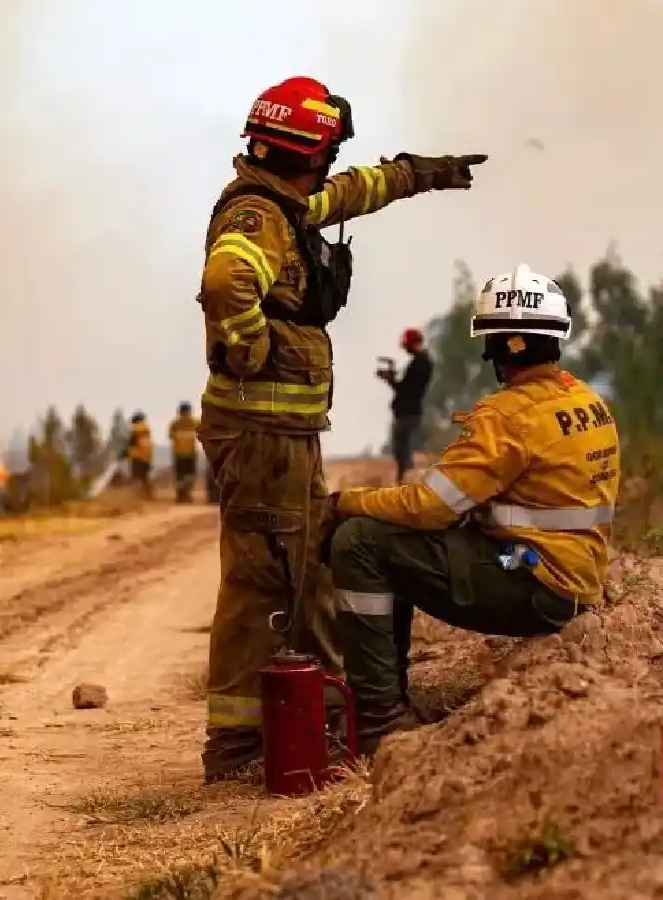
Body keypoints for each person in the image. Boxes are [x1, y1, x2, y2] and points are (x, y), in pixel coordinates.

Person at [195, 73, 487, 782]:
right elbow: (225, 281)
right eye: (327, 152)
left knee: (297, 573)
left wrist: (420, 175)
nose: (330, 165)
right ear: (307, 150)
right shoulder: (259, 219)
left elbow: (354, 191)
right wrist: (252, 347)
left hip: (281, 432)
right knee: (265, 582)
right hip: (263, 430)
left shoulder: (289, 202)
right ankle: (239, 745)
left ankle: (299, 716)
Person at [327, 264, 619, 756]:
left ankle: (379, 722)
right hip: (572, 575)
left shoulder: (507, 416)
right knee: (396, 538)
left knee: (361, 541)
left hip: (527, 572)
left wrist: (343, 503)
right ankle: (385, 701)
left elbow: (429, 505)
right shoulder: (588, 401)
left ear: (503, 348)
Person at [377, 327, 434, 483]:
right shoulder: (420, 362)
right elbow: (406, 388)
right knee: (402, 448)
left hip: (409, 412)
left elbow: (406, 390)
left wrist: (390, 379)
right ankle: (403, 481)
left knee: (403, 449)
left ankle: (407, 482)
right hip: (409, 411)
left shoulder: (420, 363)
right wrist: (392, 379)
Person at [169, 402, 200, 503]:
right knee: (189, 475)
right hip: (190, 454)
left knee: (180, 476)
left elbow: (170, 436)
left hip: (178, 454)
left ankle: (181, 495)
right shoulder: (195, 422)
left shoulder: (174, 424)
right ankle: (186, 494)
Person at [122, 411, 154, 498]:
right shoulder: (146, 429)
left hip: (137, 456)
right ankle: (148, 494)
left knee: (136, 477)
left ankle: (137, 495)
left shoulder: (135, 429)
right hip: (147, 456)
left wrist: (124, 452)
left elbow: (131, 442)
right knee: (144, 477)